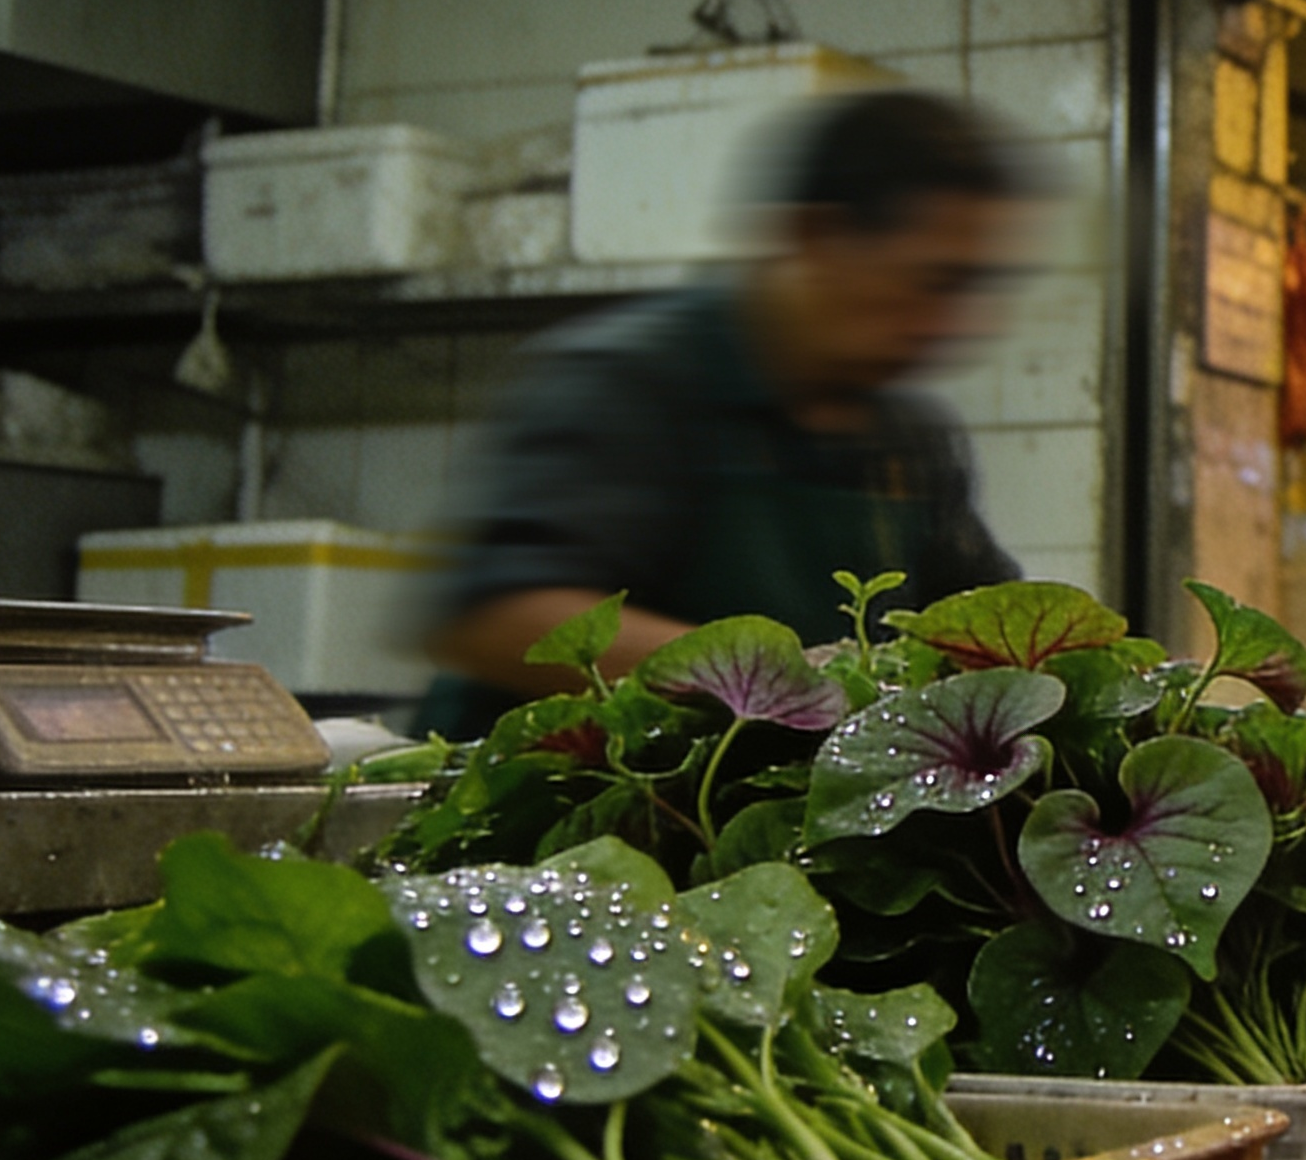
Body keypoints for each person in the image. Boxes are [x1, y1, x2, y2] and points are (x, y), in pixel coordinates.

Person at [424, 88, 1047, 714]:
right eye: (936, 282)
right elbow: (501, 617)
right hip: (552, 799)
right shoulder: (630, 382)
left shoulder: (911, 439)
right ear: (817, 235)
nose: (960, 323)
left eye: (980, 287)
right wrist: (792, 686)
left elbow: (985, 629)